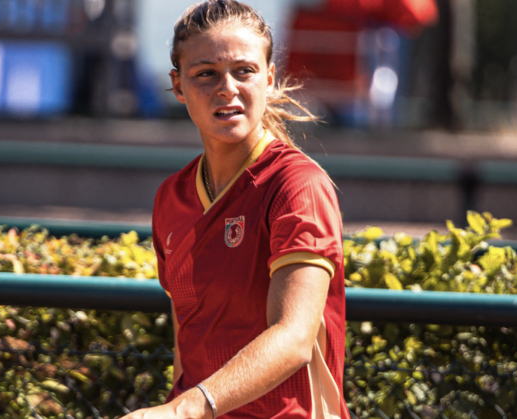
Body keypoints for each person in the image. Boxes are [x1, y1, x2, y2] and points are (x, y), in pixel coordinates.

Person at [123, 1, 348, 418]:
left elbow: (294, 338)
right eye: (206, 73)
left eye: (244, 71)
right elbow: (186, 344)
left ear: (269, 77)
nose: (227, 87)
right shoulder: (172, 196)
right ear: (177, 86)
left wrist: (184, 410)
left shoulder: (298, 184)